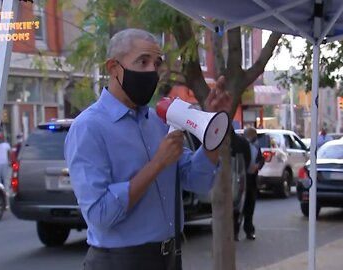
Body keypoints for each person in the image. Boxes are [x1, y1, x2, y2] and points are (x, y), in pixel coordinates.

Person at [64, 28, 231, 270]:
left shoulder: (157, 122)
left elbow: (197, 181)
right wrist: (157, 164)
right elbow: (100, 215)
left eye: (157, 63)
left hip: (169, 257)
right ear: (113, 68)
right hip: (120, 261)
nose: (152, 71)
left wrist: (212, 135)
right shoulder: (88, 128)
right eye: (142, 62)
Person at [241, 127, 264, 240]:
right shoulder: (241, 146)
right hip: (242, 179)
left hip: (252, 179)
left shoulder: (256, 146)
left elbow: (261, 160)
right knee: (240, 207)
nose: (254, 138)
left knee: (250, 208)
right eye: (252, 135)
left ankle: (249, 230)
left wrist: (257, 166)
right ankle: (235, 230)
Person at [230, 129, 251, 241]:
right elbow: (247, 159)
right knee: (238, 206)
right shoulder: (242, 141)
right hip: (239, 177)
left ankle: (233, 231)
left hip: (230, 176)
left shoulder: (220, 140)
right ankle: (235, 230)